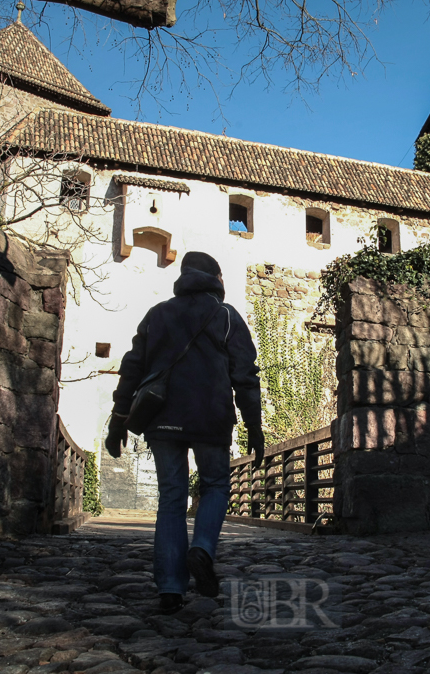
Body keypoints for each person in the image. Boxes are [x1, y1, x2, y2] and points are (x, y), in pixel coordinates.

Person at [105, 252, 265, 614]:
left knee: (171, 497)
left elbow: (132, 368)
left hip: (162, 418)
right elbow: (245, 375)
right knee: (215, 486)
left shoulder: (157, 314)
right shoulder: (226, 316)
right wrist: (254, 425)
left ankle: (171, 589)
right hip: (212, 417)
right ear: (217, 279)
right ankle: (203, 548)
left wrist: (119, 417)